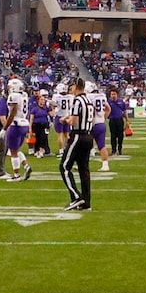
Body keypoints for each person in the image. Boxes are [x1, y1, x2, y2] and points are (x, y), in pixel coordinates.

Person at [57, 76, 95, 210]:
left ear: (75, 86)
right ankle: (86, 202)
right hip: (88, 136)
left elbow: (73, 121)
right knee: (84, 170)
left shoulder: (77, 100)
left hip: (78, 136)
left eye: (71, 86)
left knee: (64, 166)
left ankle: (76, 197)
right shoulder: (89, 100)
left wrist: (65, 120)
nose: (70, 89)